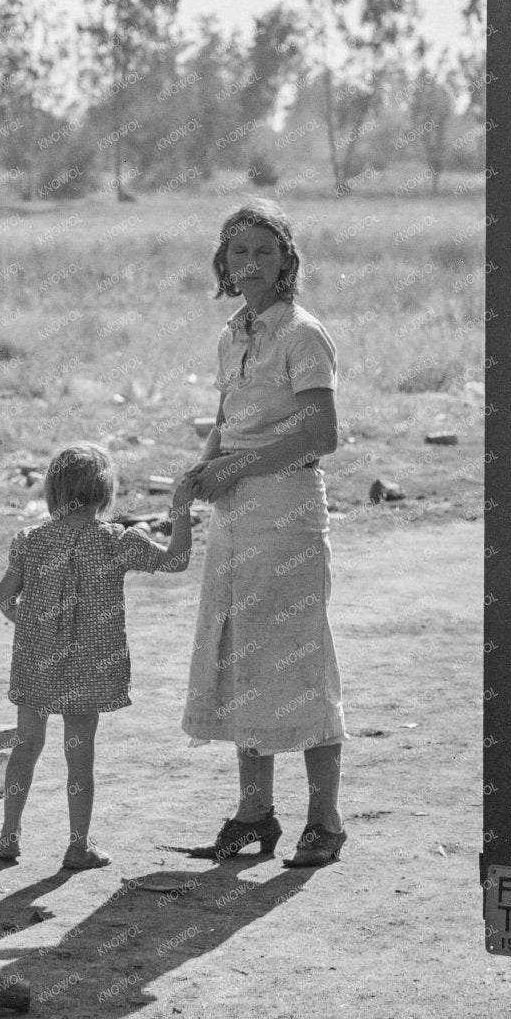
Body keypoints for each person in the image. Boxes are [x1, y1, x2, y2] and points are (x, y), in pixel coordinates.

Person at [175, 199, 347, 867]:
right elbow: (229, 417)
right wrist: (202, 467)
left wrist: (238, 465)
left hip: (287, 519)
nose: (250, 264)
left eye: (263, 253)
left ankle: (324, 822)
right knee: (242, 656)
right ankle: (254, 815)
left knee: (300, 663)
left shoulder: (303, 335)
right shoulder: (233, 334)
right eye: (238, 252)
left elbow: (321, 434)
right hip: (234, 519)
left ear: (287, 264)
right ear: (224, 263)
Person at [0, 443, 195, 872]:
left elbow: (4, 597)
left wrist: (33, 628)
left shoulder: (30, 542)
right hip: (90, 669)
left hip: (36, 664)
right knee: (79, 753)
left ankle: (9, 836)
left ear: (53, 491)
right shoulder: (115, 543)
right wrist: (180, 508)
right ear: (104, 494)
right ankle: (77, 845)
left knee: (26, 745)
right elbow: (176, 562)